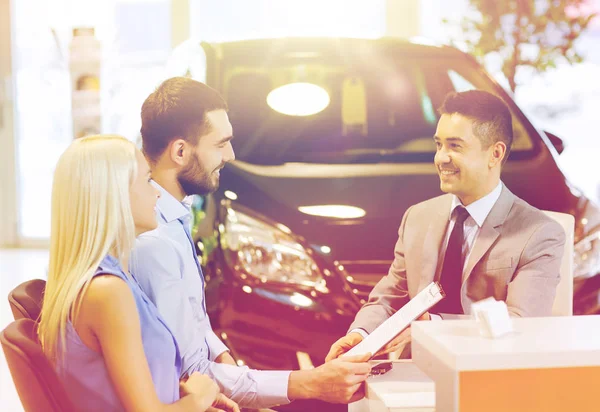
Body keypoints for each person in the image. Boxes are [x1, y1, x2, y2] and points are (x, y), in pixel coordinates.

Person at [130, 77, 372, 410]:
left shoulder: (174, 218)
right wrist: (311, 383)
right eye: (220, 144)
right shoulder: (154, 243)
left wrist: (224, 356)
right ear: (181, 151)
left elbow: (195, 326)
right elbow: (192, 376)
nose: (229, 154)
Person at [326, 90, 566, 362]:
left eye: (455, 146)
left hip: (488, 373)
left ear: (495, 154)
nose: (441, 158)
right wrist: (361, 334)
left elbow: (519, 324)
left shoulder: (539, 233)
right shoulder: (417, 217)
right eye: (439, 144)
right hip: (413, 369)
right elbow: (389, 297)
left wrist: (434, 326)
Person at [38, 135, 239, 411]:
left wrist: (184, 396)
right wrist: (199, 398)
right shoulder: (107, 291)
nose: (156, 192)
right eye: (147, 181)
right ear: (115, 195)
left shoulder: (111, 276)